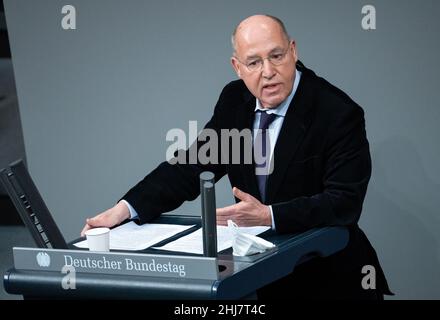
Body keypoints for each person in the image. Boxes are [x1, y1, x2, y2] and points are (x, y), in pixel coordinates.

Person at [81, 15, 391, 299]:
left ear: (293, 51)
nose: (268, 72)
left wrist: (268, 215)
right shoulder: (235, 100)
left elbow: (344, 202)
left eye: (276, 56)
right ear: (237, 66)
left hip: (332, 282)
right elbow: (191, 165)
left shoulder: (337, 112)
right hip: (263, 279)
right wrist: (124, 209)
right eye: (254, 62)